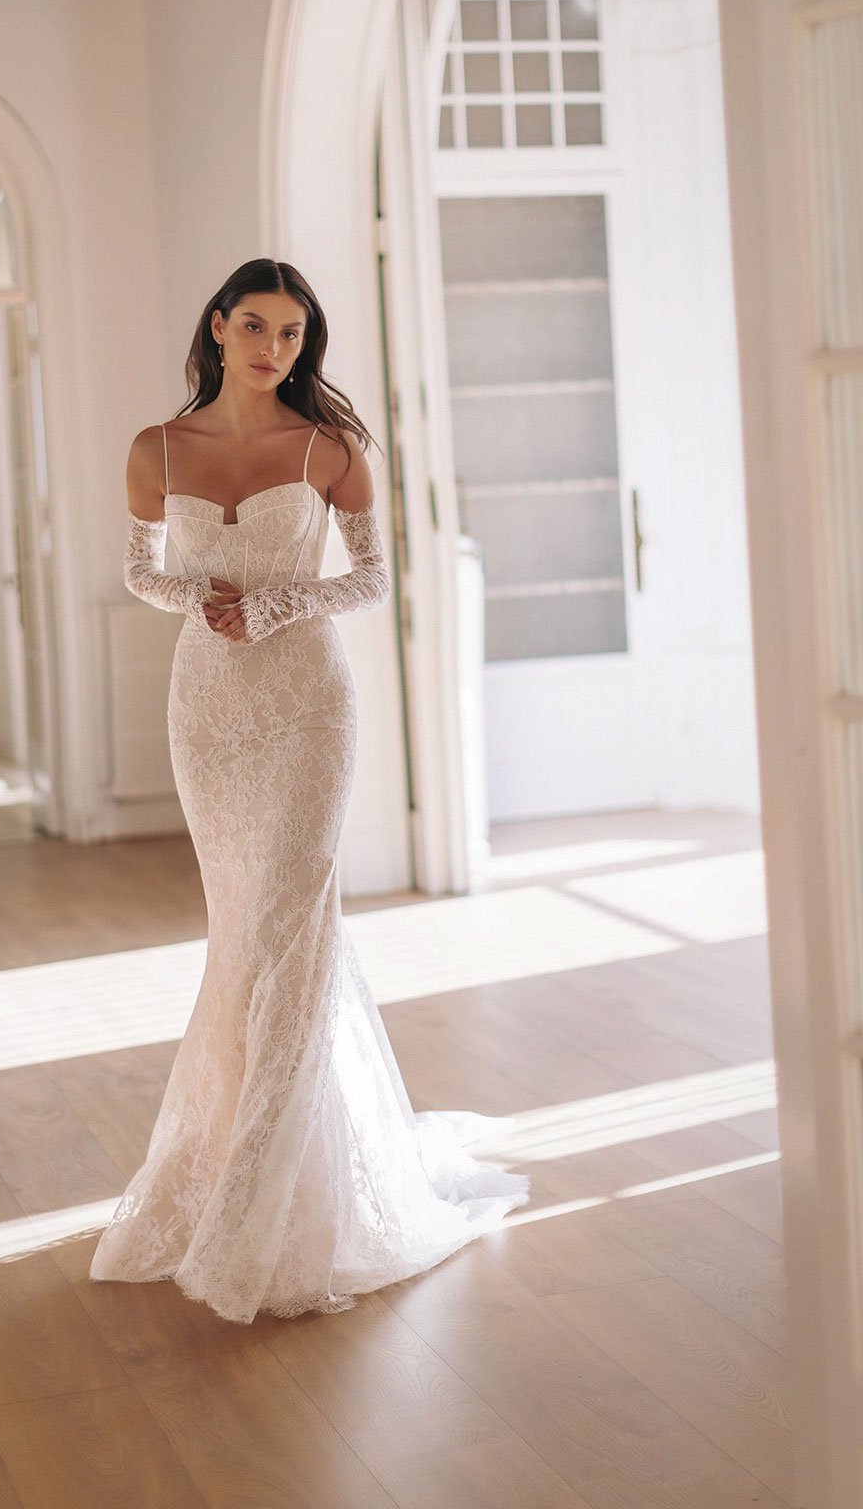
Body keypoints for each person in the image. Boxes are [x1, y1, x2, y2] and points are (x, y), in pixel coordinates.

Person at [89, 257, 529, 1321]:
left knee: (293, 918)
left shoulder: (332, 447)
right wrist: (206, 596)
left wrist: (277, 608)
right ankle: (228, 1154)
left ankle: (266, 1199)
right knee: (239, 927)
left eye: (291, 334)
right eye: (255, 327)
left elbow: (373, 577)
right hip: (209, 710)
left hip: (307, 705)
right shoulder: (156, 448)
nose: (272, 349)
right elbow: (142, 572)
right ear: (218, 326)